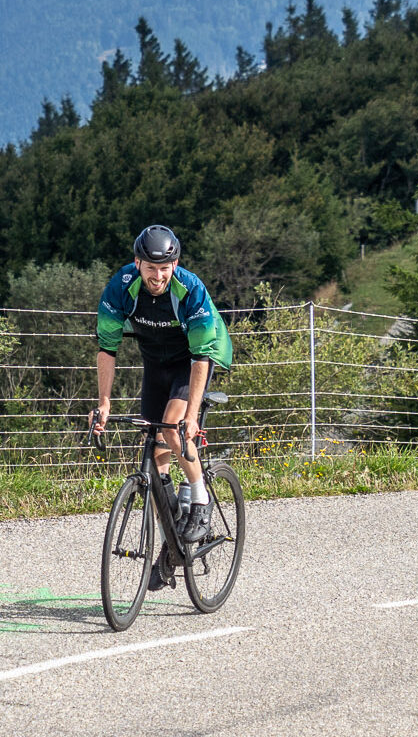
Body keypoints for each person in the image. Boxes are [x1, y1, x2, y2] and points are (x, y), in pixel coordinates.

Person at [89, 224, 231, 590]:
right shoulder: (121, 287)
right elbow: (107, 349)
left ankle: (200, 499)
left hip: (194, 360)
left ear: (174, 264)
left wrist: (191, 416)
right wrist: (103, 403)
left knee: (172, 427)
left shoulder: (190, 290)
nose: (157, 276)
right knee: (153, 455)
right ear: (137, 263)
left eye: (164, 268)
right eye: (150, 268)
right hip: (155, 362)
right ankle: (171, 539)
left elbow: (200, 358)